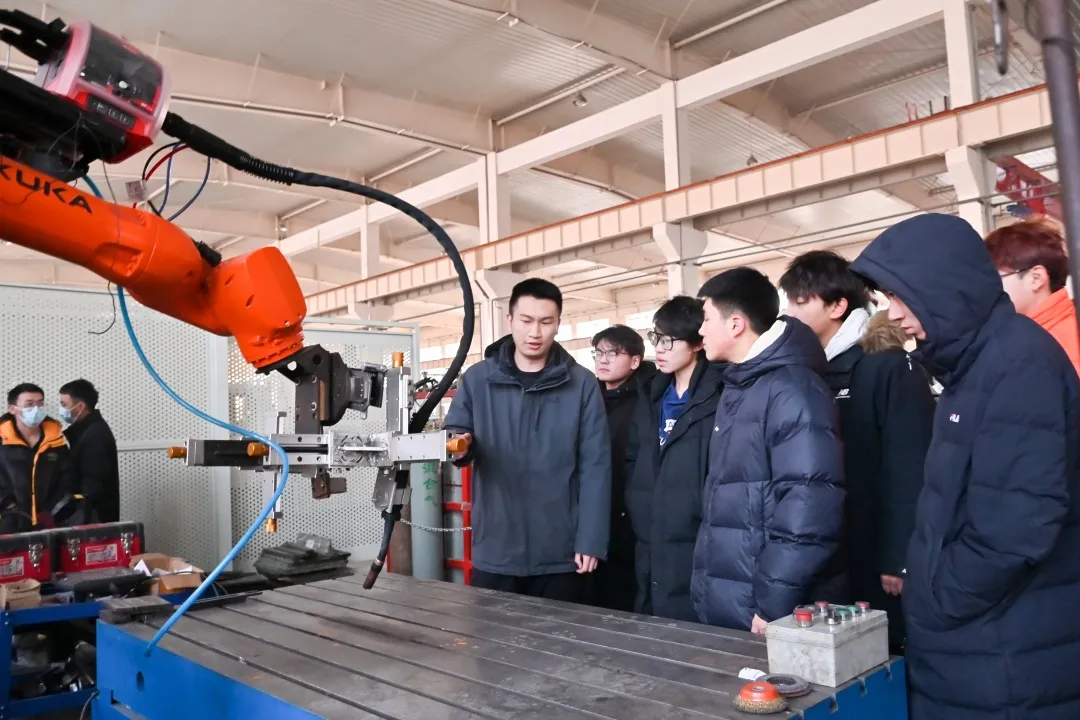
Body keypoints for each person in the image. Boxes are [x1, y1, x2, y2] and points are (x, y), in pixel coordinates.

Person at [850, 213, 1080, 720]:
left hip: (1003, 651)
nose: (894, 315)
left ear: (942, 285)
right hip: (981, 642)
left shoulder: (1018, 363)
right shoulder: (974, 364)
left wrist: (939, 599)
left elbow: (1017, 526)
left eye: (900, 296)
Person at [780, 251, 935, 653]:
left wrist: (899, 557)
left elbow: (910, 466)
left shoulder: (886, 366)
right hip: (828, 550)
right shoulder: (808, 370)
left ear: (837, 306)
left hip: (874, 548)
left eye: (800, 302)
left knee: (880, 652)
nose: (790, 313)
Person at [691, 267, 845, 633]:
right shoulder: (743, 385)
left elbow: (809, 505)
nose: (700, 331)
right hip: (737, 592)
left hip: (764, 608)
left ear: (736, 324)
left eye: (706, 319)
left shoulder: (792, 389)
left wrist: (773, 602)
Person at [444, 278, 611, 602]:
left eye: (546, 322)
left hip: (561, 552)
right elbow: (455, 437)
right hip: (496, 546)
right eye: (526, 320)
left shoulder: (581, 384)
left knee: (561, 634)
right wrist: (459, 446)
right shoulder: (478, 380)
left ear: (558, 324)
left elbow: (596, 466)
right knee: (492, 633)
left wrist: (591, 539)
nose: (535, 332)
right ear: (510, 320)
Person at [625, 296, 722, 621]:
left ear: (697, 343)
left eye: (669, 340)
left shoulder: (718, 396)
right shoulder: (651, 396)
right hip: (650, 534)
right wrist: (638, 505)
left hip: (696, 538)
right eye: (656, 338)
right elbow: (633, 458)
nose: (659, 349)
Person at [589, 324, 654, 611]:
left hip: (629, 515)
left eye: (613, 353)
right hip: (595, 510)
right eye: (599, 353)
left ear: (635, 361)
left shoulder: (647, 400)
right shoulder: (590, 399)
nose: (603, 360)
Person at [985, 219, 1080, 374]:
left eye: (995, 279)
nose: (987, 289)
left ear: (1036, 278)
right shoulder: (1036, 334)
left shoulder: (1062, 346)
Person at [0, 383, 83, 533]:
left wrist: (56, 508)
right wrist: (7, 505)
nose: (36, 409)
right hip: (7, 523)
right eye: (29, 404)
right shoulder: (2, 440)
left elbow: (67, 477)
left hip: (49, 525)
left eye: (40, 403)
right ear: (12, 409)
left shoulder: (56, 440)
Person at [60, 379, 119, 523]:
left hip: (92, 518)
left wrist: (75, 511)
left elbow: (92, 484)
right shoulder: (84, 432)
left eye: (64, 404)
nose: (61, 410)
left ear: (81, 406)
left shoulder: (95, 435)